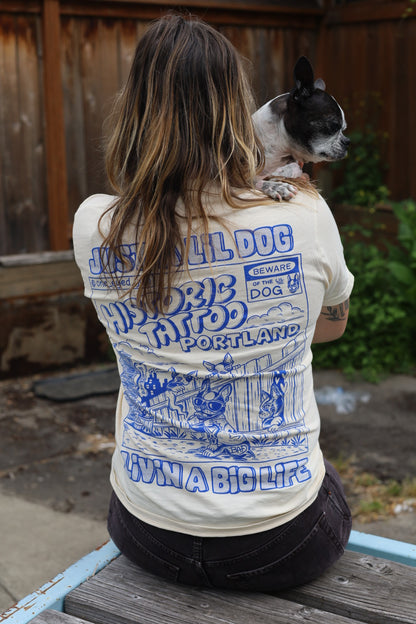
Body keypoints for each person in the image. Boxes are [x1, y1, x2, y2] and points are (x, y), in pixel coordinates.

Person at [73, 14, 354, 592]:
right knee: (326, 485)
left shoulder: (94, 224)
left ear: (134, 111)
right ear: (241, 109)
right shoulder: (303, 212)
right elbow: (331, 328)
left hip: (147, 530)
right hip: (283, 540)